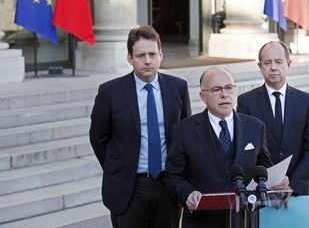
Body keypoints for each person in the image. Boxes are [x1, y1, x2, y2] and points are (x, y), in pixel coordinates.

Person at [89, 25, 191, 228]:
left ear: (161, 55)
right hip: (128, 189)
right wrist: (117, 167)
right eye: (140, 55)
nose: (147, 61)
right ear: (130, 58)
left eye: (152, 54)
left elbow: (184, 133)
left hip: (167, 186)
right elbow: (98, 137)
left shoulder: (178, 87)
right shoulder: (110, 92)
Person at [165, 67, 288, 228]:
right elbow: (173, 176)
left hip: (246, 220)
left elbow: (264, 168)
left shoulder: (255, 127)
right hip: (202, 221)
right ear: (203, 96)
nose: (224, 94)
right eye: (216, 89)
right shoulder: (184, 130)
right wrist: (187, 193)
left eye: (229, 88)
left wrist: (277, 183)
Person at [237, 41, 309, 196]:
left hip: (297, 190)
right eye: (267, 62)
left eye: (279, 62)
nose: (273, 67)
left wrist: (291, 184)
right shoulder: (246, 102)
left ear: (289, 64)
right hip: (261, 190)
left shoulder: (306, 101)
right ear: (260, 66)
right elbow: (246, 150)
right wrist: (269, 183)